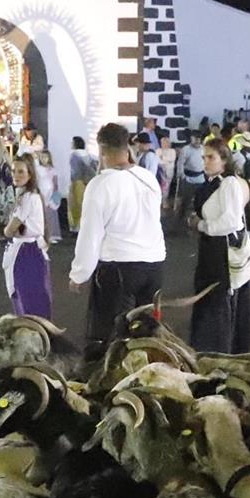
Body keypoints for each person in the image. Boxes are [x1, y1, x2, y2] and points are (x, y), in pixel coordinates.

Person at [68, 122, 166, 354]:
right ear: (127, 145)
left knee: (112, 338)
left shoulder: (101, 184)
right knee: (147, 334)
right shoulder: (147, 178)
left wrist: (79, 273)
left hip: (119, 269)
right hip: (154, 266)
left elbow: (90, 235)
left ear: (102, 150)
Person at [187, 140, 250, 351]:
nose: (205, 162)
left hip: (221, 253)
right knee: (211, 301)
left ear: (224, 160)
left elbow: (231, 222)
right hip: (211, 251)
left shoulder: (229, 184)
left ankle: (220, 350)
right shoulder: (212, 183)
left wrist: (202, 226)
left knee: (219, 303)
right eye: (204, 157)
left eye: (211, 157)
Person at [2, 154, 52, 318]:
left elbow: (8, 231)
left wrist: (11, 230)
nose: (16, 175)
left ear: (30, 174)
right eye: (14, 171)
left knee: (27, 301)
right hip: (30, 251)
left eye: (21, 172)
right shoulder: (31, 196)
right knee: (35, 300)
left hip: (26, 253)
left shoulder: (27, 198)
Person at [67, 135, 97, 231]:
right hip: (88, 182)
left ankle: (75, 228)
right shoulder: (89, 155)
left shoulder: (74, 155)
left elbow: (74, 171)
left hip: (77, 182)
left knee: (75, 205)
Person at [32, 148, 61, 242]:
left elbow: (55, 183)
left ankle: (51, 235)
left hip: (50, 194)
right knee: (40, 215)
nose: (44, 159)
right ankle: (40, 234)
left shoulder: (53, 169)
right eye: (43, 157)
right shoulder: (38, 169)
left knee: (50, 215)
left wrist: (55, 195)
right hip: (41, 193)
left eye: (46, 157)